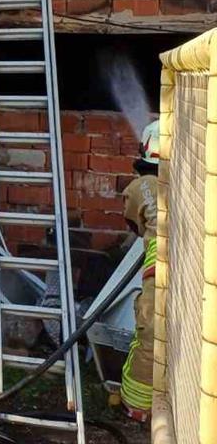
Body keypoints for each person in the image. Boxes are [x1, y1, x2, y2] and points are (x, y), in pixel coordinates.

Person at [120, 120, 160, 422]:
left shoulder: (140, 187)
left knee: (149, 337)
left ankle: (137, 406)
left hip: (159, 279)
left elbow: (134, 225)